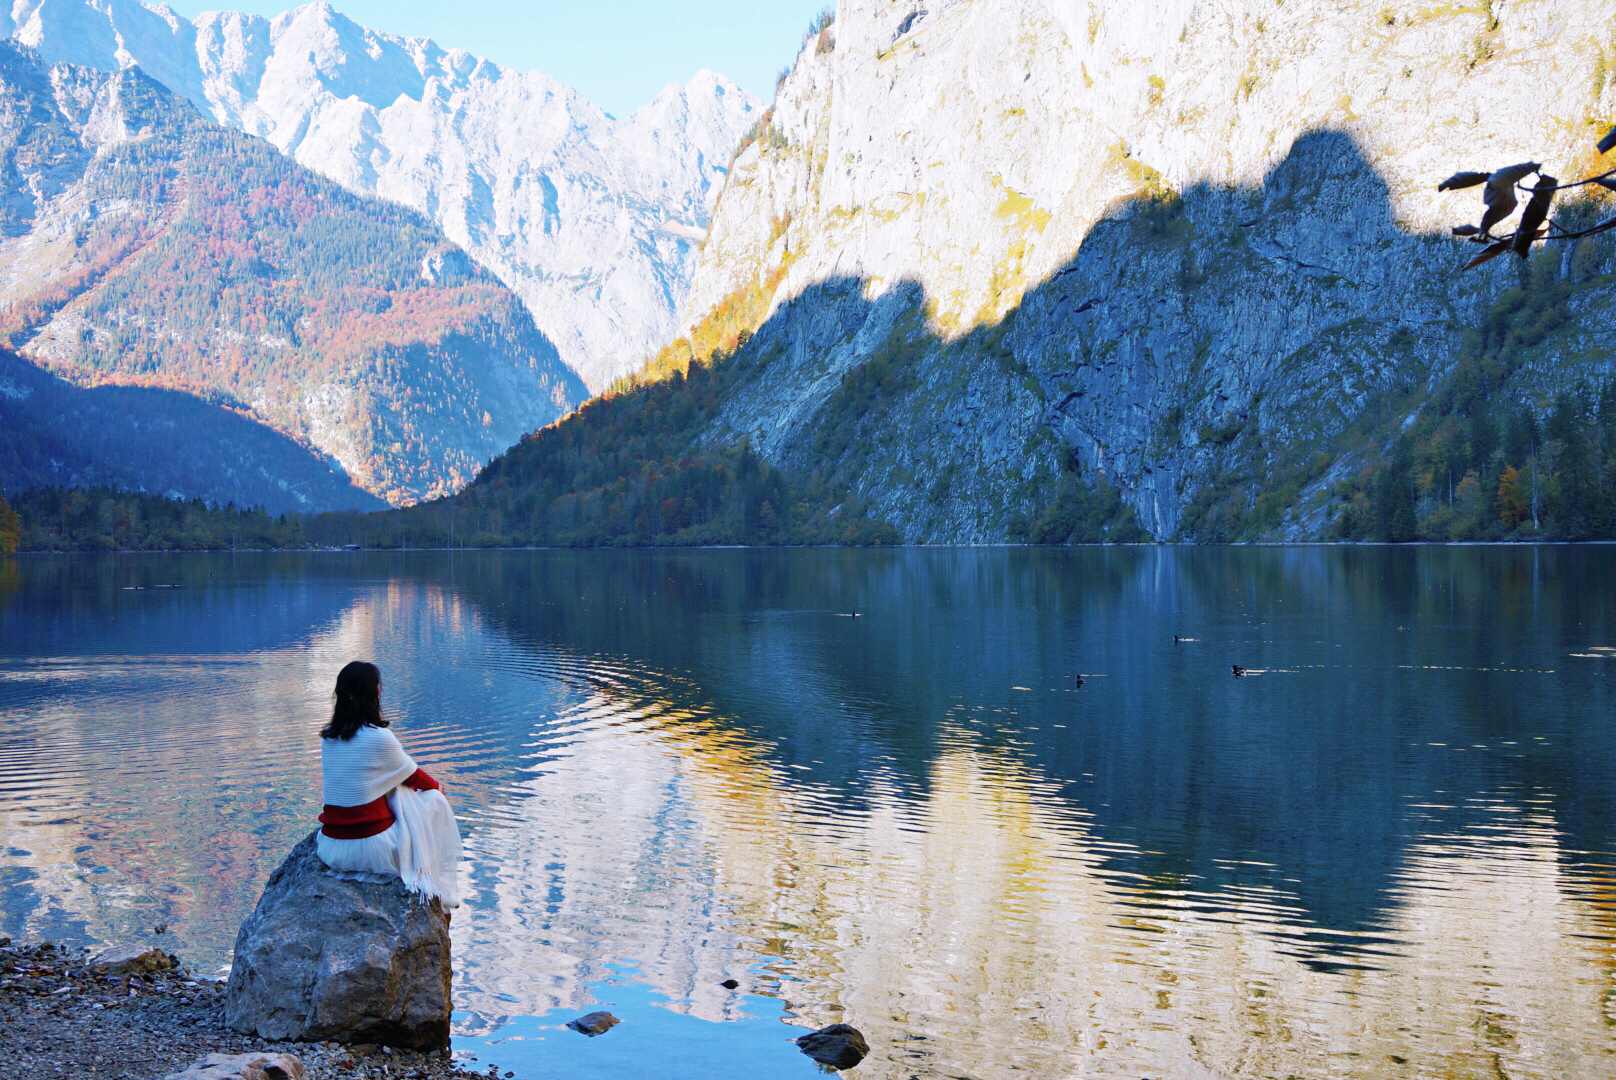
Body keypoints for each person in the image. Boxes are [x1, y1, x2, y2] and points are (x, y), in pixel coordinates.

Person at [316, 660, 461, 908]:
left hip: (332, 848)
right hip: (373, 851)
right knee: (433, 799)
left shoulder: (329, 737)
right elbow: (414, 776)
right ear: (375, 693)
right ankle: (432, 879)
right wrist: (437, 787)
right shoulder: (379, 737)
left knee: (393, 785)